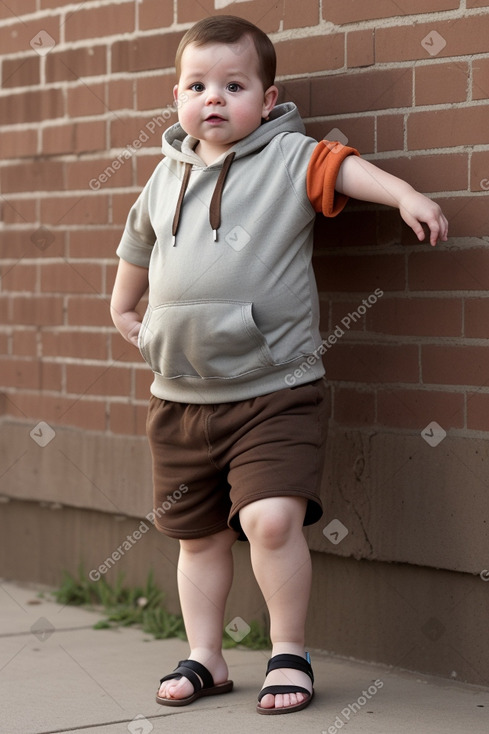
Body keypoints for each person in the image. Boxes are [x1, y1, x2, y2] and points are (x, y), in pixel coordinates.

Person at [110, 15, 448, 715]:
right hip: (177, 395)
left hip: (274, 390)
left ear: (266, 100)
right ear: (177, 96)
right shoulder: (164, 174)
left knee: (268, 520)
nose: (213, 99)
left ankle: (287, 650)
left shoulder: (289, 155)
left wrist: (405, 195)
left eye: (233, 86)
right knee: (196, 535)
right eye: (197, 85)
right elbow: (137, 243)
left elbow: (344, 168)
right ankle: (205, 655)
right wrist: (123, 310)